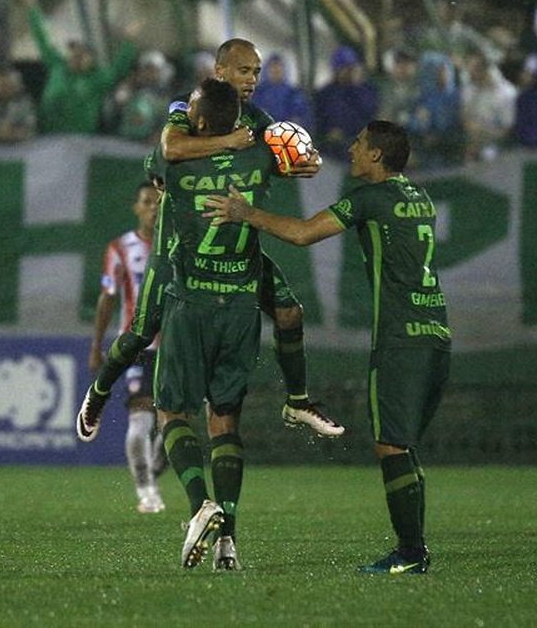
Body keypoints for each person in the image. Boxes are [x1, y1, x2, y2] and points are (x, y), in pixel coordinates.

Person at [204, 120, 451, 575]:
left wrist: (247, 213)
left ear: (376, 154)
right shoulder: (420, 197)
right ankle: (413, 549)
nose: (352, 149)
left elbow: (302, 233)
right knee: (403, 445)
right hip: (436, 331)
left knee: (390, 444)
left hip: (400, 337)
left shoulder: (369, 199)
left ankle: (411, 553)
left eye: (357, 144)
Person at [77, 38, 343, 443]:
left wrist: (310, 160)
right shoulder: (189, 104)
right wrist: (228, 143)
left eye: (255, 72)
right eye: (243, 71)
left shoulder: (255, 117)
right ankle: (98, 393)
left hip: (235, 243)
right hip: (180, 239)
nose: (252, 79)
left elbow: (294, 148)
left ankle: (298, 400)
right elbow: (170, 148)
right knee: (141, 330)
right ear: (220, 72)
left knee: (290, 313)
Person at [153, 78, 276, 570]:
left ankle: (201, 504)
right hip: (242, 307)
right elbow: (298, 157)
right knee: (225, 422)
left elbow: (168, 146)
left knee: (172, 413)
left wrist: (190, 123)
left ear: (199, 122)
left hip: (192, 303)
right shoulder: (261, 160)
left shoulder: (179, 163)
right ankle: (229, 541)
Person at [89, 180, 166, 514]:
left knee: (179, 423)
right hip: (138, 345)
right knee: (141, 418)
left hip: (178, 345)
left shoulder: (180, 245)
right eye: (147, 202)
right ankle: (146, 490)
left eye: (158, 202)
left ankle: (153, 472)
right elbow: (107, 298)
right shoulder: (121, 248)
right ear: (137, 207)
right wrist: (97, 344)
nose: (153, 208)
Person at [16, 0, 137, 134]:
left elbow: (118, 68)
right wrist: (32, 6)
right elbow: (42, 38)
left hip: (80, 145)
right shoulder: (57, 66)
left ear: (92, 58)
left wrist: (128, 42)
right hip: (48, 141)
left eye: (82, 53)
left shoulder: (98, 79)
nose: (77, 55)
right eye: (74, 51)